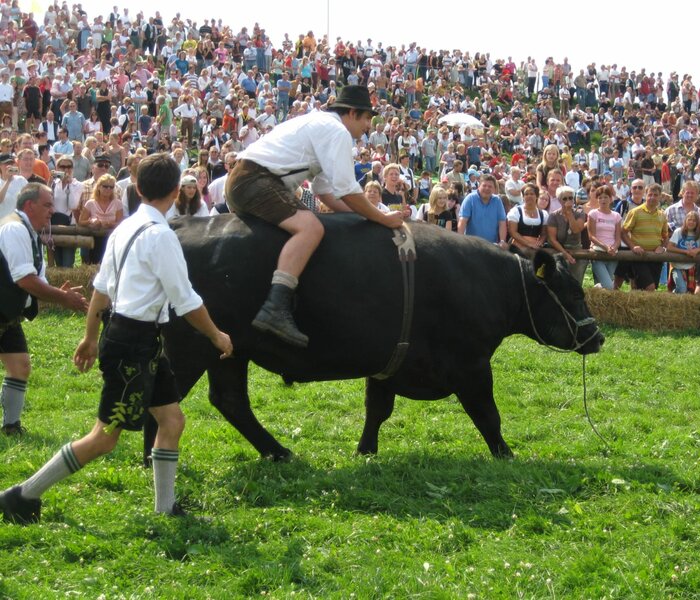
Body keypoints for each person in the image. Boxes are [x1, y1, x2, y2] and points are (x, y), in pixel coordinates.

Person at [0, 154, 233, 524]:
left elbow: (101, 289)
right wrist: (217, 335)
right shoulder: (160, 236)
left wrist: (91, 337)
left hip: (134, 338)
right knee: (104, 437)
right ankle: (22, 493)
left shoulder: (125, 228)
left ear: (137, 188)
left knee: (171, 421)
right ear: (176, 192)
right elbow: (186, 301)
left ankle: (165, 509)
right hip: (133, 344)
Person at [224, 85, 403, 347]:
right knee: (311, 229)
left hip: (248, 178)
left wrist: (363, 215)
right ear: (352, 113)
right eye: (366, 118)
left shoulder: (321, 124)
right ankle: (275, 307)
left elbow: (325, 192)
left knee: (311, 224)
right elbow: (348, 191)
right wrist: (381, 217)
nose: (368, 125)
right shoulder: (337, 132)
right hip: (255, 180)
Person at [0, 183, 89, 436]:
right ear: (29, 205)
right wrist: (63, 298)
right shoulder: (15, 229)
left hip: (7, 313)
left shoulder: (27, 229)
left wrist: (56, 291)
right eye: (48, 205)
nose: (53, 210)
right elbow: (25, 280)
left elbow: (33, 276)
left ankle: (11, 427)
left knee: (20, 367)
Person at [621, 183, 669, 291]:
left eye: (655, 195)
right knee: (649, 287)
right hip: (639, 256)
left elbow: (665, 236)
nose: (652, 197)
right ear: (645, 195)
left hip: (655, 258)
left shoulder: (662, 215)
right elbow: (623, 232)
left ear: (660, 197)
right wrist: (633, 247)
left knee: (648, 290)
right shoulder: (635, 212)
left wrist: (662, 247)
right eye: (650, 194)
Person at [546, 186, 587, 283]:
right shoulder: (553, 216)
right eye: (565, 198)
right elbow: (552, 239)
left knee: (575, 282)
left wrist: (569, 214)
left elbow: (576, 230)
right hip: (558, 250)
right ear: (560, 200)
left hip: (576, 250)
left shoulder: (580, 212)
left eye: (570, 198)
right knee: (559, 282)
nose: (568, 200)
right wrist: (564, 254)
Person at [586, 184, 622, 289]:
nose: (603, 200)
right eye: (600, 197)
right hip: (598, 253)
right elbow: (591, 236)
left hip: (612, 254)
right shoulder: (593, 214)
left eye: (605, 197)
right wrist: (605, 247)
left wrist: (614, 248)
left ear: (611, 199)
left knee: (607, 285)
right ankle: (595, 290)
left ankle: (595, 290)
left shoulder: (616, 216)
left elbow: (618, 238)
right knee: (609, 286)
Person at [457, 174, 508, 246]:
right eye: (484, 185)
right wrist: (461, 241)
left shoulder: (497, 200)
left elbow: (502, 222)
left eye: (490, 186)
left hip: (492, 245)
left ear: (494, 189)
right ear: (479, 187)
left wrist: (502, 241)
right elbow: (462, 221)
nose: (487, 188)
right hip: (472, 245)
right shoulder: (470, 199)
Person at [667, 212, 700, 294]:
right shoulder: (678, 232)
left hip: (691, 266)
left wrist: (697, 250)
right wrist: (685, 252)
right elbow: (669, 247)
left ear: (697, 223)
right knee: (682, 288)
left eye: (694, 221)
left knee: (689, 290)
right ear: (685, 221)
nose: (691, 222)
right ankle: (673, 297)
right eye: (689, 220)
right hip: (676, 266)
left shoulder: (699, 234)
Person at [507, 183, 547, 252]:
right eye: (526, 194)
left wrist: (540, 242)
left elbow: (544, 233)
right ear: (523, 196)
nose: (529, 196)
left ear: (537, 196)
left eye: (532, 194)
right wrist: (529, 244)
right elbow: (512, 232)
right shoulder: (515, 211)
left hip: (535, 247)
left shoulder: (543, 214)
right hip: (517, 246)